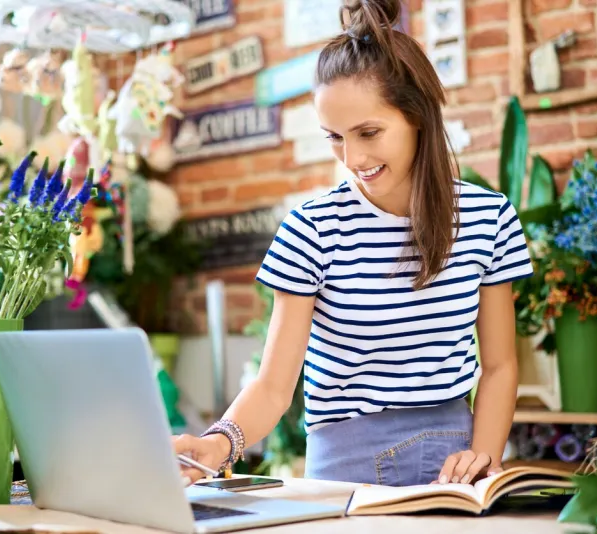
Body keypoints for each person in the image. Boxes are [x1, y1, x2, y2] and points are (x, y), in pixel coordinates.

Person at [173, 0, 532, 487]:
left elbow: (499, 365)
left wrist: (483, 458)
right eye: (335, 138)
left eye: (369, 132)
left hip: (456, 466)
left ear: (417, 116)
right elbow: (275, 386)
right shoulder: (311, 228)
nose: (354, 157)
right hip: (346, 470)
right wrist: (217, 444)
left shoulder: (489, 218)